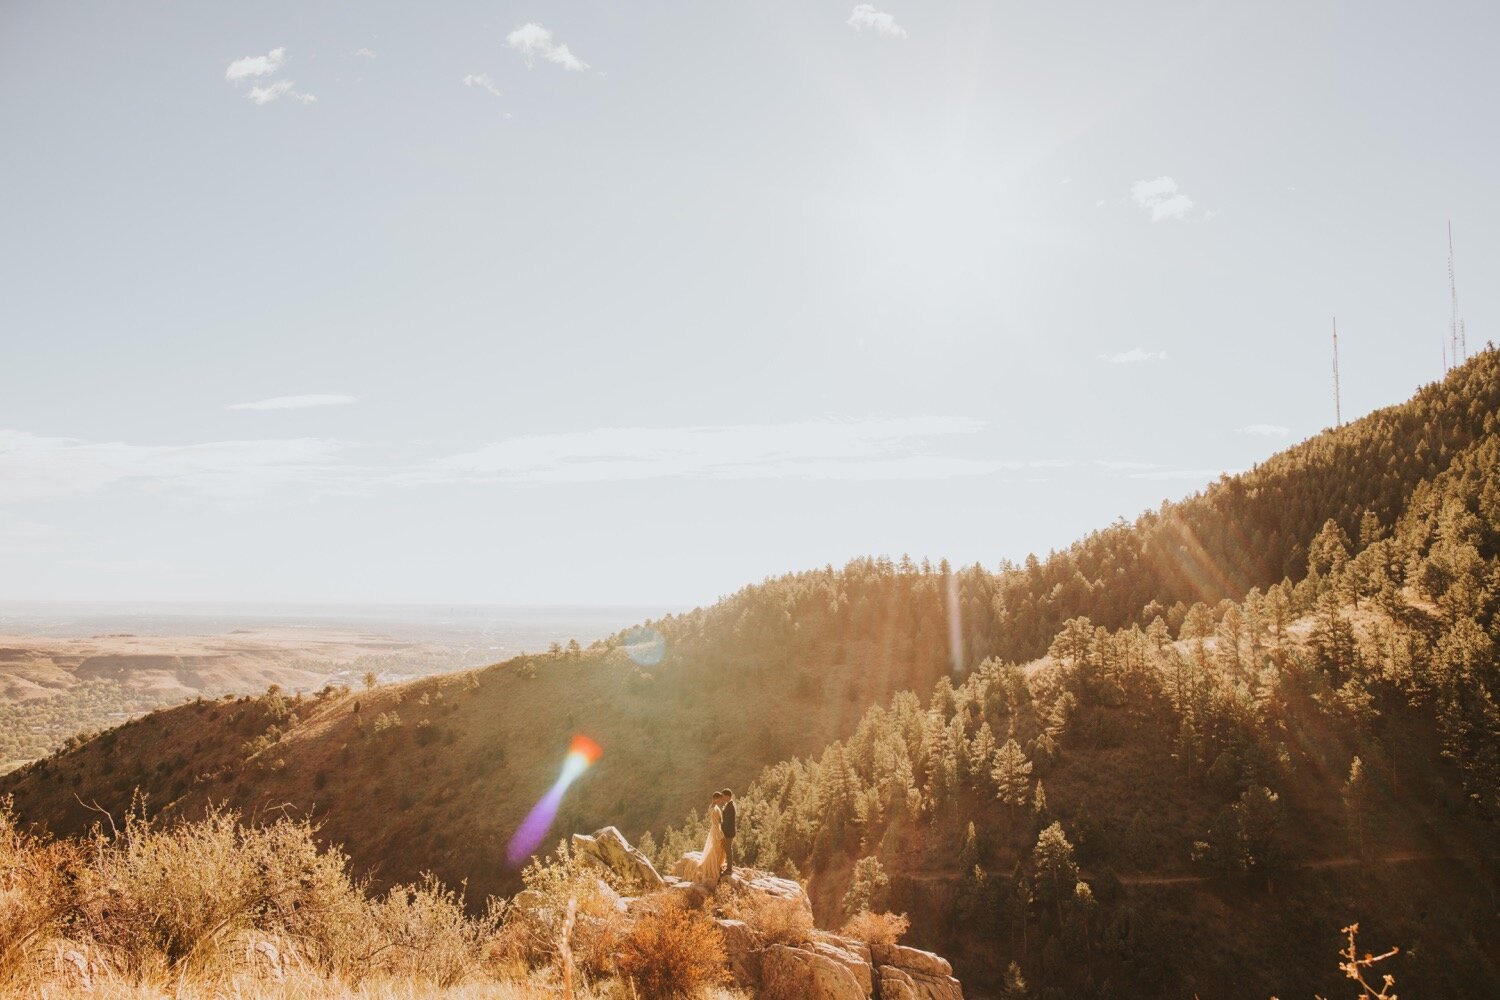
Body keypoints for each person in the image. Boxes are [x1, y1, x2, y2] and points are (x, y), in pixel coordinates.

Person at [684, 791, 727, 887]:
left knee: (716, 849)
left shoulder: (712, 807)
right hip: (716, 829)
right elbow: (716, 823)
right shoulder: (714, 809)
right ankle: (713, 867)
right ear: (715, 798)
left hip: (714, 829)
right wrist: (720, 834)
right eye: (719, 799)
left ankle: (715, 865)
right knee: (716, 848)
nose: (720, 801)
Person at [719, 788, 737, 878]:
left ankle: (729, 868)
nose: (722, 797)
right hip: (728, 831)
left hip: (729, 832)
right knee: (727, 849)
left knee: (728, 849)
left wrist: (723, 830)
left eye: (723, 796)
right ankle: (728, 866)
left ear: (727, 796)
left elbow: (728, 822)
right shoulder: (729, 804)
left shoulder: (730, 806)